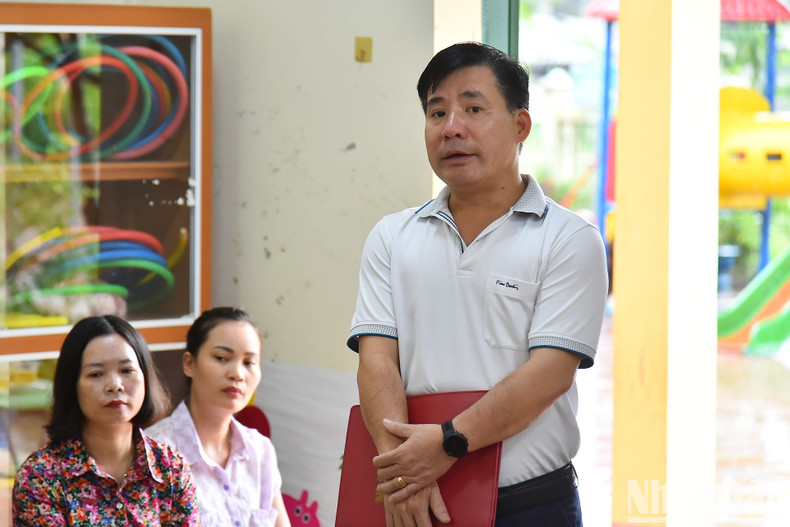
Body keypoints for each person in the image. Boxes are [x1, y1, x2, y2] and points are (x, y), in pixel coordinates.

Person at [347, 42, 608, 526]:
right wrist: (402, 471)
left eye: (473, 109)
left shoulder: (569, 240)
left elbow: (550, 373)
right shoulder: (392, 236)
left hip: (529, 506)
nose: (451, 128)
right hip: (415, 496)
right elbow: (376, 359)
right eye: (437, 112)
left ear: (520, 125)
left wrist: (448, 443)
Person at [13, 315, 199, 526]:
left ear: (145, 378)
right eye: (96, 374)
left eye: (126, 370)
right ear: (72, 386)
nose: (115, 385)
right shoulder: (40, 477)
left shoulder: (171, 468)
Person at [146, 307, 290, 527]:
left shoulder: (260, 451)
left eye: (249, 363)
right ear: (189, 364)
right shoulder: (155, 453)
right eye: (222, 358)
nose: (237, 374)